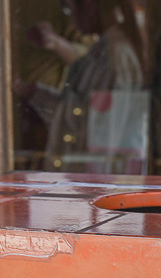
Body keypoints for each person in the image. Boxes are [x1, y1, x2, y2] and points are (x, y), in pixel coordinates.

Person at [15, 0, 145, 172]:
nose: (72, 16)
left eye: (73, 7)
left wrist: (90, 187)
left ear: (91, 6)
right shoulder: (102, 52)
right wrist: (34, 92)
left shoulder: (116, 57)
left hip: (95, 180)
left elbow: (105, 135)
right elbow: (80, 111)